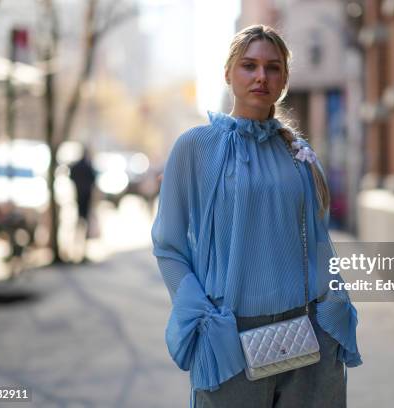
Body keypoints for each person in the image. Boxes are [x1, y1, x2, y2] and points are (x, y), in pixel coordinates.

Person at [151, 25, 361, 407]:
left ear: (284, 81)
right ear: (228, 73)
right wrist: (199, 316)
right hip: (229, 338)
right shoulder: (194, 147)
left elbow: (317, 241)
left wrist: (333, 303)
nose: (261, 76)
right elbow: (168, 246)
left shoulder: (298, 153)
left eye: (273, 67)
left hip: (310, 331)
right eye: (249, 65)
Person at [69, 147, 97, 262]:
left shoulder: (77, 166)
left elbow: (71, 175)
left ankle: (77, 250)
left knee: (79, 224)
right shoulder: (88, 166)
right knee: (83, 224)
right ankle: (80, 250)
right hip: (85, 198)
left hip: (79, 198)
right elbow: (94, 180)